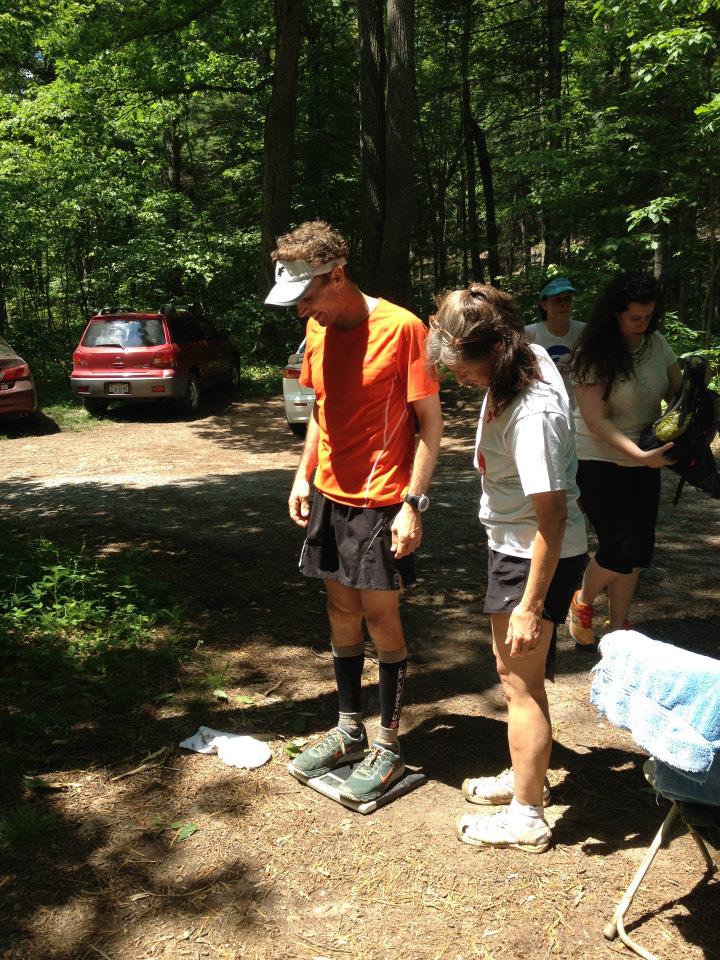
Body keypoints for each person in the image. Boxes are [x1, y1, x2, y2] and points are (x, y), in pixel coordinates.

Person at [265, 220, 443, 803]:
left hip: (382, 498)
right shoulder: (318, 333)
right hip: (328, 493)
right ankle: (348, 727)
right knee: (339, 607)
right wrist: (302, 475)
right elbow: (319, 411)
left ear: (336, 275)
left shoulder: (403, 329)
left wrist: (413, 505)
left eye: (308, 297)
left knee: (380, 618)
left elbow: (430, 428)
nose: (302, 311)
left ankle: (388, 744)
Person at [425, 284, 587, 854]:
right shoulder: (525, 354)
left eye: (461, 369)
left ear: (494, 350)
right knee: (517, 678)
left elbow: (554, 517)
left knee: (521, 687)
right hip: (516, 545)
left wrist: (530, 605)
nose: (456, 379)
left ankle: (527, 815)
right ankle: (525, 780)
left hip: (533, 555)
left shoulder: (533, 415)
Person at [567, 272, 681, 647]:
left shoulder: (656, 343)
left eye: (649, 317)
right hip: (598, 457)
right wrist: (639, 456)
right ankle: (582, 602)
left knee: (639, 548)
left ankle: (618, 628)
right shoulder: (594, 353)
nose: (643, 325)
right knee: (618, 546)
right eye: (635, 318)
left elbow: (679, 393)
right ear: (615, 314)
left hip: (646, 456)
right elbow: (595, 419)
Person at [525, 276, 584, 401]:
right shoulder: (529, 334)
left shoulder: (584, 332)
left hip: (578, 404)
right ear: (543, 304)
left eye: (567, 299)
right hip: (542, 403)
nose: (563, 304)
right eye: (557, 300)